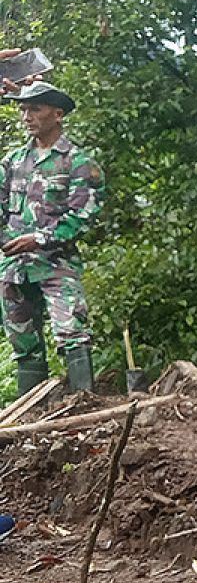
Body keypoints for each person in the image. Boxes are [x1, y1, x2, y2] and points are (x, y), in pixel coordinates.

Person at [0, 82, 105, 395]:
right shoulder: (13, 162)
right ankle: (30, 418)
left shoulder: (78, 162)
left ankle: (85, 408)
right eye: (23, 109)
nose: (26, 116)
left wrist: (40, 238)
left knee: (72, 333)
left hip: (57, 265)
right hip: (14, 268)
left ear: (57, 114)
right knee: (24, 345)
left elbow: (83, 216)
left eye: (35, 108)